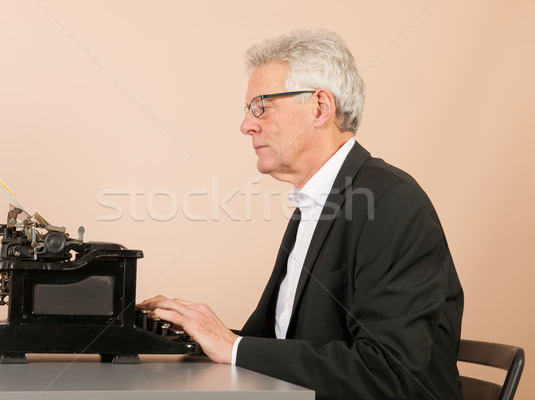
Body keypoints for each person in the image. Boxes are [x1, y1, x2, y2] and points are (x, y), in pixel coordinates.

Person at [138, 29, 464, 400]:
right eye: (248, 109)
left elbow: (387, 374)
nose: (246, 124)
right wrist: (191, 334)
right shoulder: (314, 204)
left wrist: (232, 347)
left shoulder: (392, 202)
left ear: (320, 108)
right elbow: (280, 343)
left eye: (261, 104)